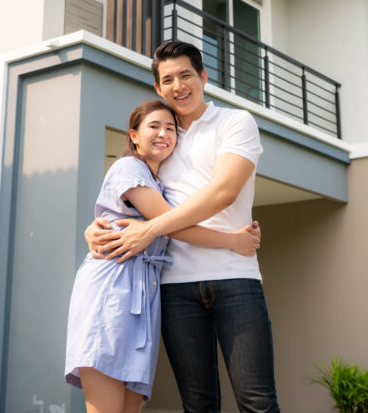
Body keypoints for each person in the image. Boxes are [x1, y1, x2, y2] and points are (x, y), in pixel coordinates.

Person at [88, 41, 281, 412]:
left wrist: (151, 229)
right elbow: (130, 195)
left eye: (185, 75)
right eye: (168, 79)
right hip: (175, 287)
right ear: (158, 89)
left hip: (236, 279)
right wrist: (93, 229)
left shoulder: (234, 122)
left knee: (257, 401)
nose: (178, 85)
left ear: (203, 77)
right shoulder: (162, 139)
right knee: (197, 404)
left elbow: (223, 192)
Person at [65, 99, 261, 413]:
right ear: (133, 135)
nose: (163, 133)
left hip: (142, 299)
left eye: (170, 128)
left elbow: (162, 224)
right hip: (112, 291)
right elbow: (172, 226)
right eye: (153, 126)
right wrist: (232, 241)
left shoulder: (158, 180)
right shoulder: (128, 167)